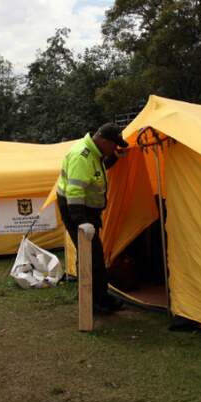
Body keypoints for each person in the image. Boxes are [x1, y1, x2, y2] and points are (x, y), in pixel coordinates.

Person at [57, 123, 128, 313]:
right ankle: (92, 302)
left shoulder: (95, 153)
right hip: (75, 209)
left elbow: (96, 172)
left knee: (95, 254)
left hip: (87, 210)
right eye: (114, 145)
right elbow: (74, 191)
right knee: (90, 255)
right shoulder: (82, 156)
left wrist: (113, 158)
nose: (115, 148)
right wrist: (81, 222)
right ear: (104, 141)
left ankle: (100, 297)